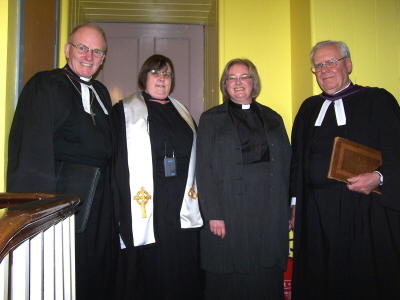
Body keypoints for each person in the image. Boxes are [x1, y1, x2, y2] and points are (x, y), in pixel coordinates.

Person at [7, 23, 117, 299]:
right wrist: (41, 211)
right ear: (68, 50)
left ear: (103, 59)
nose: (89, 56)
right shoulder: (45, 85)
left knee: (95, 269)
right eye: (82, 48)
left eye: (97, 51)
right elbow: (32, 149)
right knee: (64, 273)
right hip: (63, 199)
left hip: (100, 199)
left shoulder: (101, 93)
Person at [291, 40, 400, 300]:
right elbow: (296, 163)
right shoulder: (308, 108)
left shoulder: (378, 100)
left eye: (331, 62)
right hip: (315, 213)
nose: (324, 69)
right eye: (318, 65)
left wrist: (379, 178)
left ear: (348, 65)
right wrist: (294, 204)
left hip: (362, 210)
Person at [197, 58, 291, 300]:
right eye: (232, 78)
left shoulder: (273, 118)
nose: (238, 83)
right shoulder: (210, 119)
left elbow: (287, 164)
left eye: (244, 77)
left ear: (253, 82)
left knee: (265, 272)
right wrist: (213, 213)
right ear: (225, 84)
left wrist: (291, 205)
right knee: (229, 272)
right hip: (229, 208)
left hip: (269, 210)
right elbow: (203, 169)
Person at [112, 54, 203, 300]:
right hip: (145, 204)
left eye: (167, 74)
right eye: (155, 72)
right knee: (149, 270)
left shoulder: (182, 112)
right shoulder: (123, 111)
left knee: (180, 267)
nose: (162, 78)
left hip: (181, 204)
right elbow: (116, 162)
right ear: (144, 77)